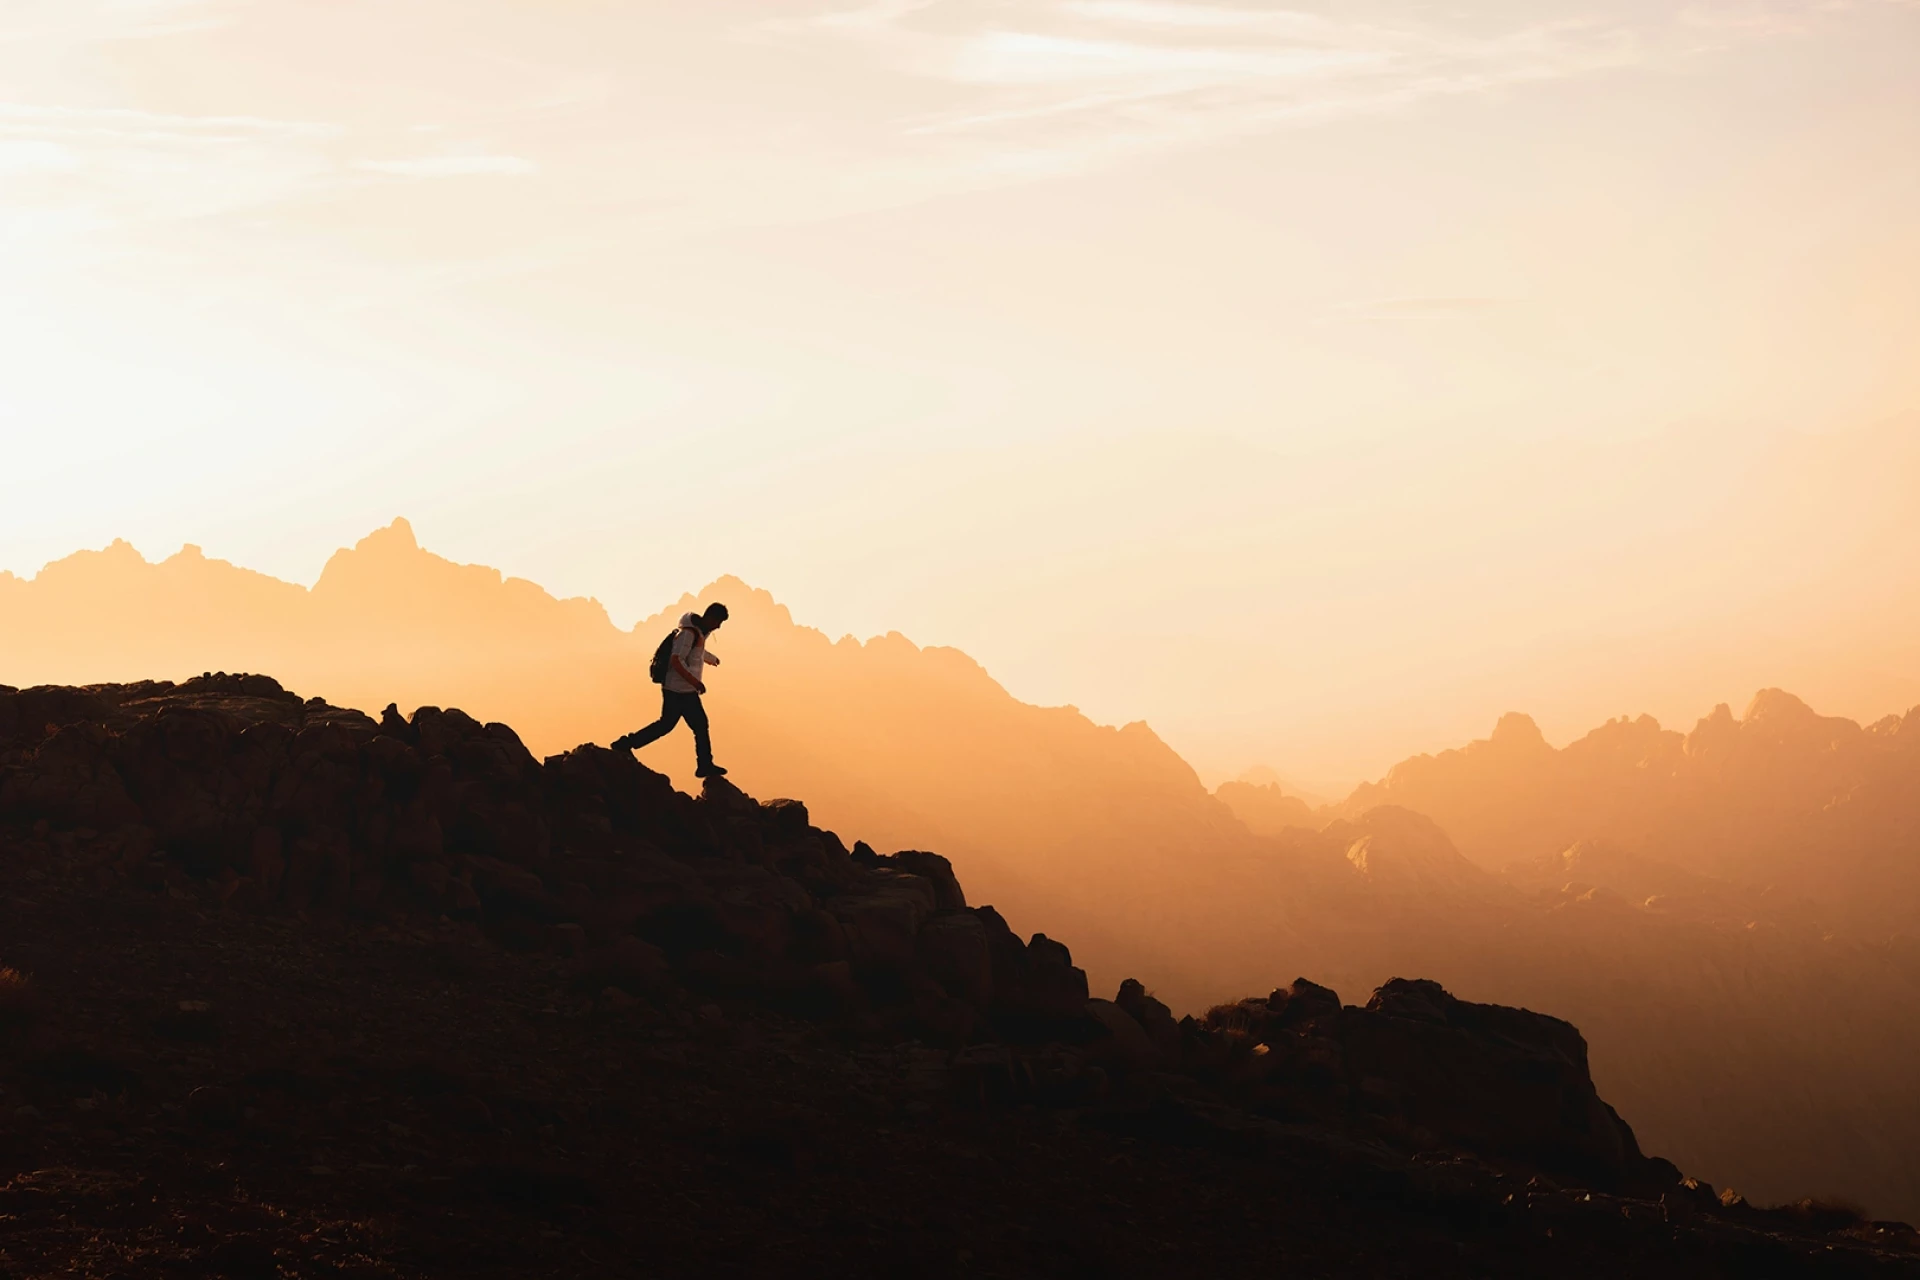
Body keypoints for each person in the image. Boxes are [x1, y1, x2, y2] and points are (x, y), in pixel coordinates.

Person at [613, 602, 730, 776]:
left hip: (682, 689)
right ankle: (704, 765)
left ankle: (625, 744)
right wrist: (695, 682)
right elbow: (676, 660)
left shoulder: (697, 633)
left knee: (670, 725)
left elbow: (695, 652)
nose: (718, 626)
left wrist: (711, 659)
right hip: (678, 691)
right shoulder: (688, 633)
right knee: (695, 725)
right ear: (710, 617)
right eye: (718, 622)